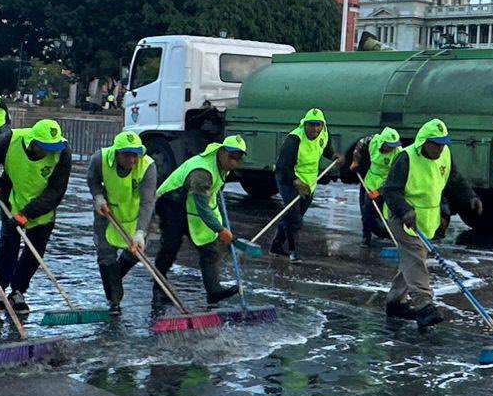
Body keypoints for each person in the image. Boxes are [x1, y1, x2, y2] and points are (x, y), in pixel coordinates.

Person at [379, 118, 481, 329]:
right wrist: (405, 209)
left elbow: (455, 180)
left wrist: (470, 196)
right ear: (423, 141)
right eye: (435, 143)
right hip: (402, 218)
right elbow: (390, 190)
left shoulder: (444, 156)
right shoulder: (406, 158)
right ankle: (424, 305)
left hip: (427, 221)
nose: (439, 148)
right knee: (416, 257)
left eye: (442, 143)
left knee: (412, 260)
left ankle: (395, 302)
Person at [0, 119, 72, 314]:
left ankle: (18, 291)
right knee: (7, 246)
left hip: (42, 210)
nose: (48, 152)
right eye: (44, 148)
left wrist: (28, 213)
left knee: (34, 252)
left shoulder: (62, 152)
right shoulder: (11, 140)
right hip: (12, 202)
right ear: (33, 142)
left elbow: (56, 190)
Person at [151, 135, 247, 307]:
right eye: (232, 157)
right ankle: (159, 289)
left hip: (190, 203)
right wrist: (219, 229)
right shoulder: (202, 172)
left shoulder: (222, 165)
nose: (234, 162)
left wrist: (222, 225)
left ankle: (214, 291)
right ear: (222, 152)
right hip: (171, 201)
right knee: (171, 246)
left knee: (209, 248)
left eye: (238, 158)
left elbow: (214, 196)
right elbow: (202, 206)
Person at [86, 130, 157, 314]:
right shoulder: (99, 159)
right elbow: (92, 179)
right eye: (127, 155)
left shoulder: (147, 166)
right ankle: (114, 301)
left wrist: (141, 232)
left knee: (136, 252)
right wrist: (98, 196)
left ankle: (114, 278)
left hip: (134, 215)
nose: (133, 160)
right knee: (106, 256)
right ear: (117, 153)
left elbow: (148, 201)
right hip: (107, 213)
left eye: (136, 155)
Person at [270, 108, 330, 258]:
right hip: (288, 179)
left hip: (309, 182)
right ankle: (293, 252)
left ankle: (276, 245)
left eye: (318, 125)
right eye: (311, 125)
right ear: (304, 124)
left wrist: (335, 155)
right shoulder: (294, 139)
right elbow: (282, 166)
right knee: (294, 218)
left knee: (295, 215)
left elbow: (326, 148)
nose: (315, 129)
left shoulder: (323, 134)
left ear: (322, 125)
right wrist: (296, 182)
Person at [347, 126, 401, 245]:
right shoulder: (373, 141)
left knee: (387, 212)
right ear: (383, 143)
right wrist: (355, 160)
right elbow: (359, 144)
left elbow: (396, 176)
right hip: (370, 180)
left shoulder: (399, 153)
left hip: (386, 183)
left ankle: (393, 236)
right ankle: (366, 236)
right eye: (390, 145)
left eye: (394, 145)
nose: (393, 148)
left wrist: (379, 192)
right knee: (366, 210)